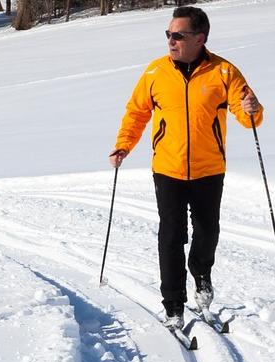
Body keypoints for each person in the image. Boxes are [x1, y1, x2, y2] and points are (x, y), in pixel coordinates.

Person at [109, 6, 262, 330]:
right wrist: (124, 145)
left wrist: (252, 108)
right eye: (168, 34)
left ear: (199, 38)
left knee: (207, 232)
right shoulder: (155, 73)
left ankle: (202, 277)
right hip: (168, 168)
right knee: (171, 235)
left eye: (178, 35)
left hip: (209, 168)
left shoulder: (224, 72)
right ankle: (174, 304)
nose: (170, 41)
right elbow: (136, 113)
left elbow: (247, 113)